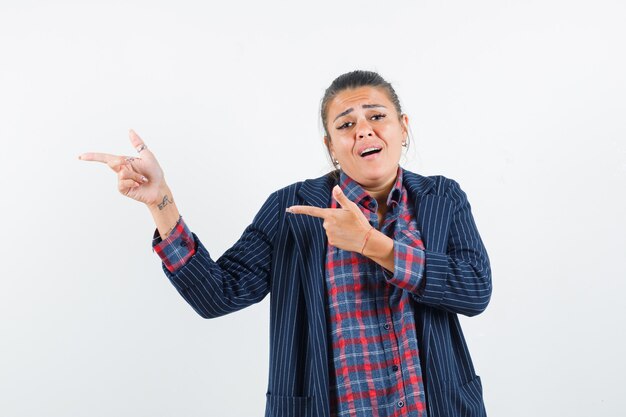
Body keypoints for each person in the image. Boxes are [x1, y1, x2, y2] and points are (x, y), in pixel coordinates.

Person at [79, 70, 492, 417]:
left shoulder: (442, 198)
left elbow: (475, 290)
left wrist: (371, 242)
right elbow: (217, 295)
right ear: (331, 146)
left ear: (403, 127)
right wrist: (161, 201)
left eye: (377, 116)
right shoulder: (291, 208)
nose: (363, 128)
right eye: (345, 124)